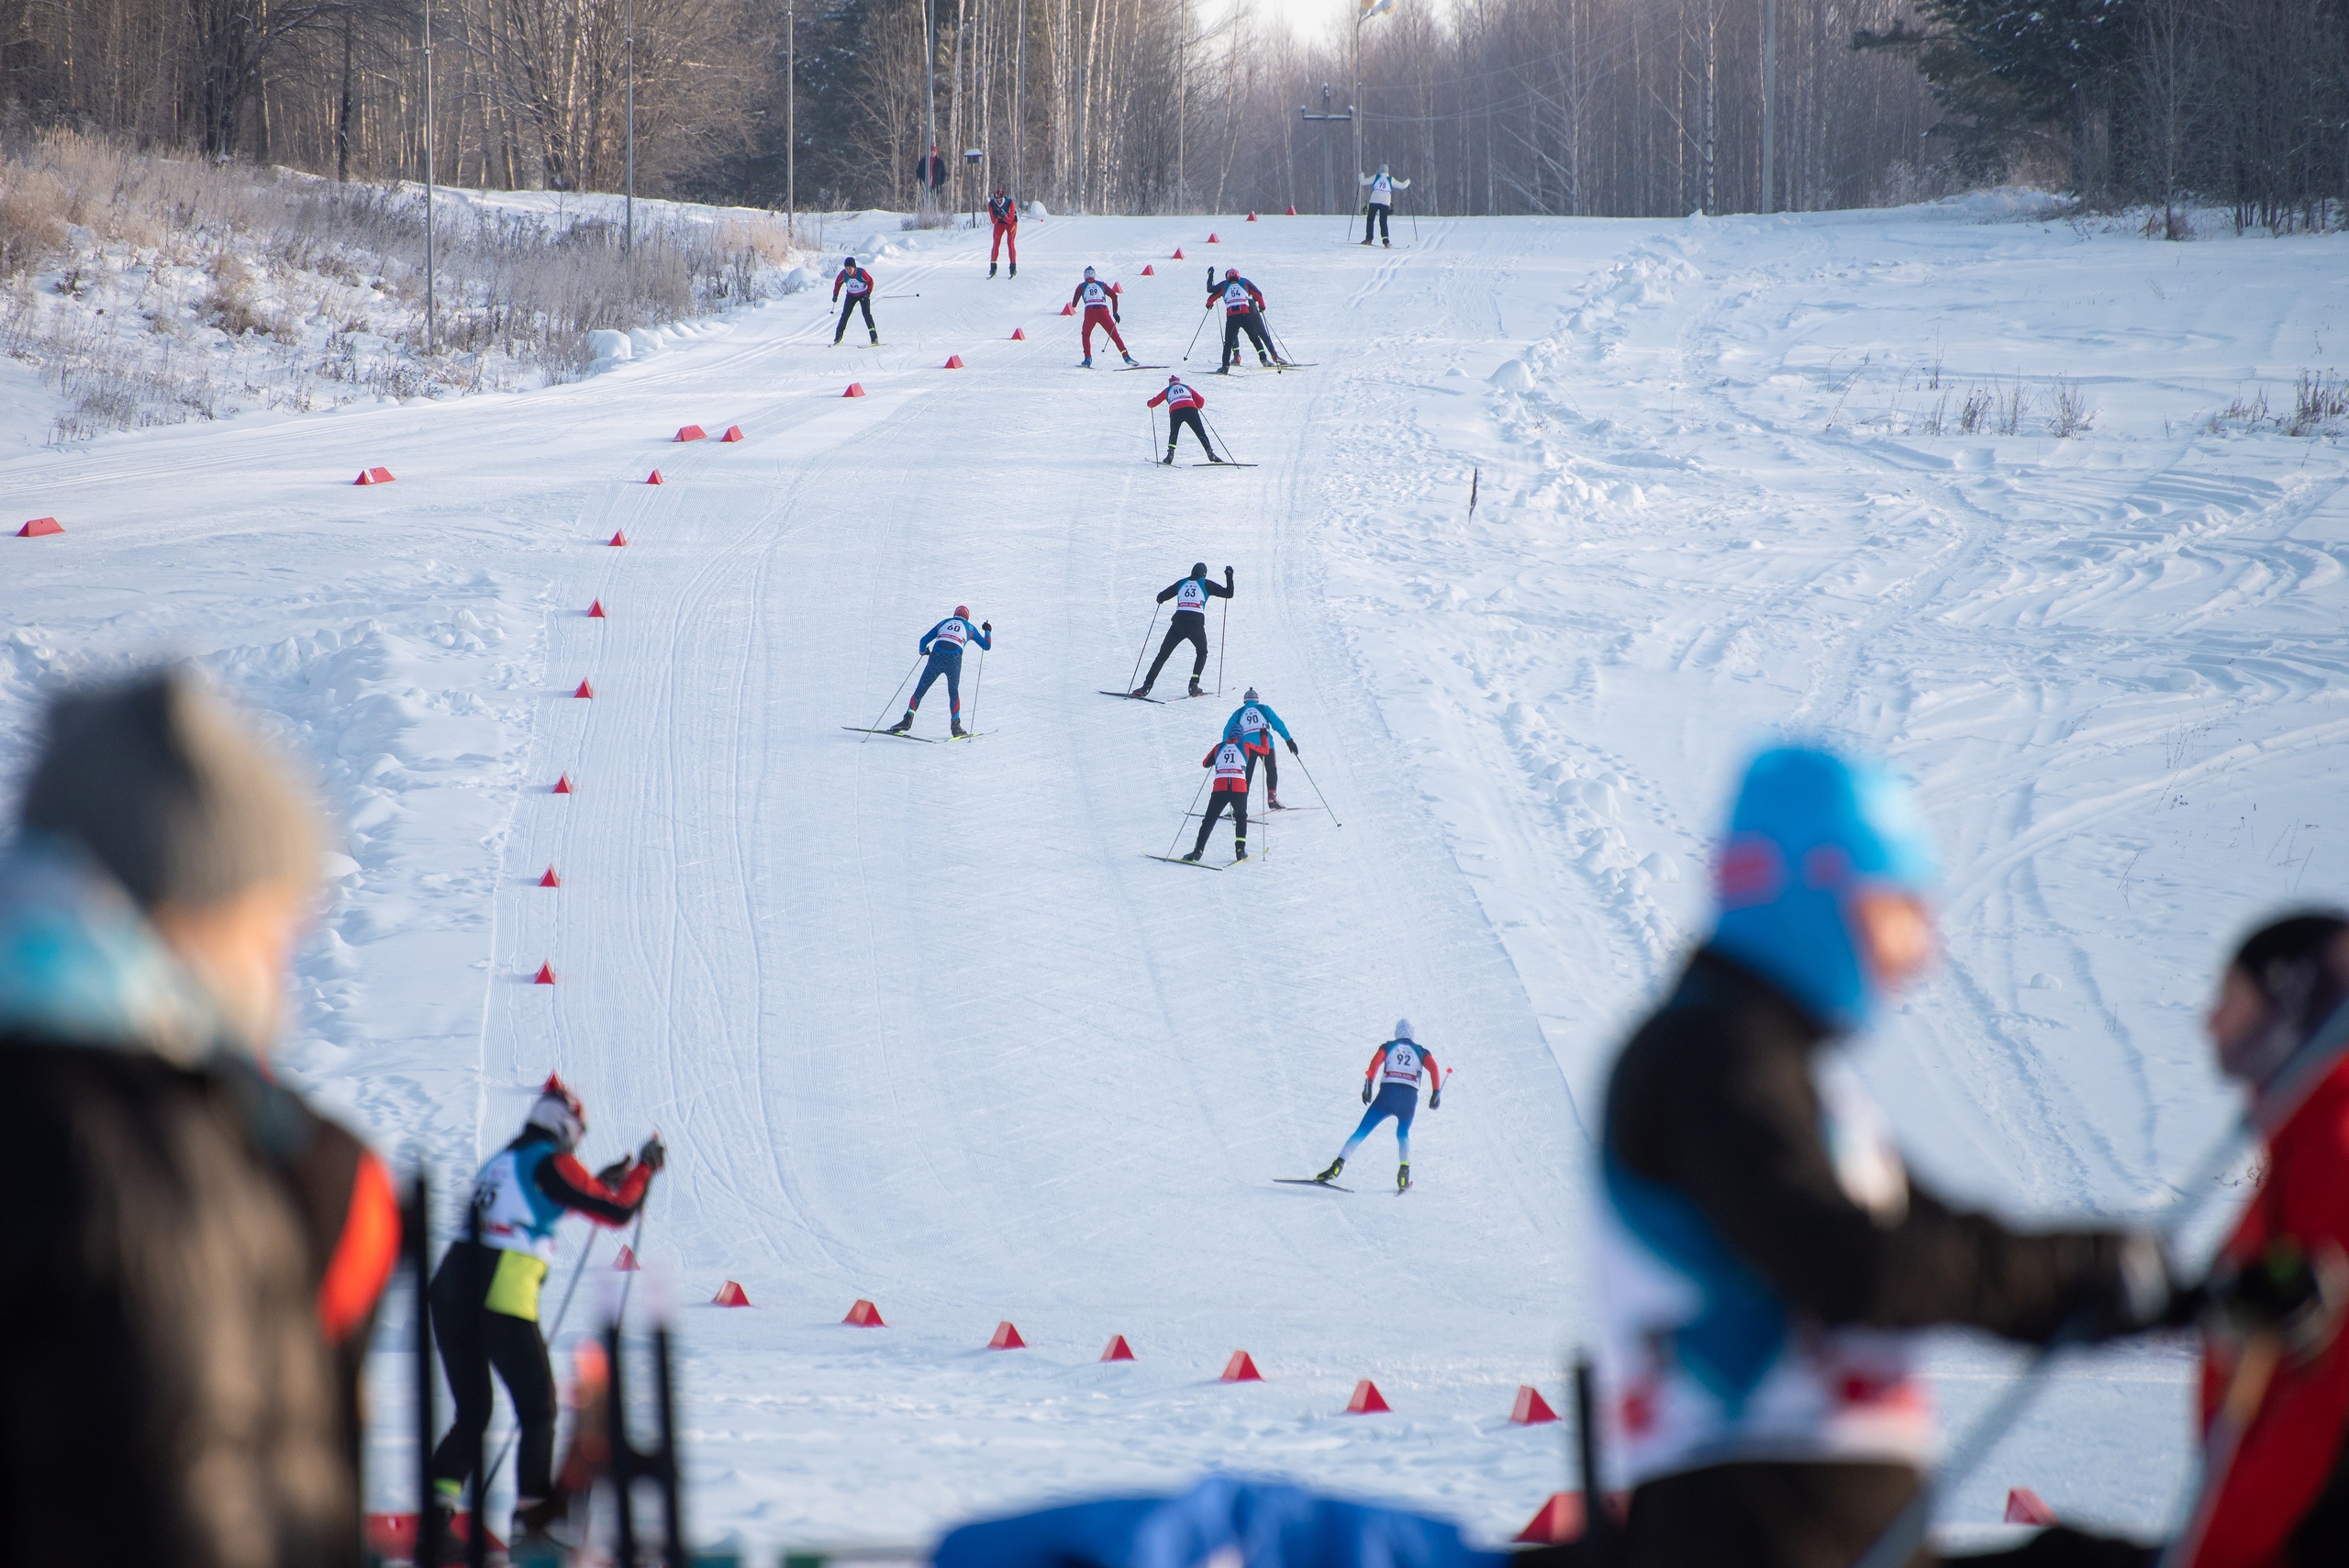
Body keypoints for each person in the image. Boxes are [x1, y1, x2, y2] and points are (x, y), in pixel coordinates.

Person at [1598, 744, 2178, 1568]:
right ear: (1815, 889)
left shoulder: (1776, 1072)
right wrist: (2087, 1266)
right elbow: (1856, 1263)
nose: (1916, 952)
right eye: (1897, 907)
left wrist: (2173, 1296)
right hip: (1760, 1532)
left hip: (1837, 1535)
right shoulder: (1711, 1056)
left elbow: (1936, 1238)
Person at [1, 667, 400, 1568]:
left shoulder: (177, 1119)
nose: (281, 963)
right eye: (265, 924)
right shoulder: (119, 1152)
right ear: (184, 912)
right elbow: (176, 1495)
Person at [2157, 912, 2349, 1568]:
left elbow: (2323, 1400)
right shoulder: (2301, 1140)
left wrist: (2214, 1549)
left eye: (2233, 1002)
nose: (2211, 1024)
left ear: (2292, 1009)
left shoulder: (2335, 1151)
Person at [429, 1076, 662, 1542]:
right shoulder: (551, 1160)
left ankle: (434, 1513)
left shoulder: (508, 1158)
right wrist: (644, 1172)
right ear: (566, 1127)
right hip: (499, 1294)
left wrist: (599, 1183)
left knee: (473, 1411)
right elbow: (616, 1212)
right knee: (539, 1409)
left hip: (450, 1290)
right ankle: (532, 1518)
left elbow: (556, 1195)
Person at [1315, 1021, 1442, 1192]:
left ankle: (1337, 1166)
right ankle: (1404, 1173)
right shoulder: (1420, 1051)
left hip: (1387, 1095)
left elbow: (1375, 1063)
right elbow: (1433, 1068)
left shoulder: (1389, 1046)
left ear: (1397, 1032)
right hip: (1408, 1098)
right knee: (1402, 1134)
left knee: (1362, 1130)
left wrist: (1368, 1085)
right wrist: (1436, 1093)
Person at [887, 606, 992, 738]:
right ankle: (956, 727)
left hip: (936, 656)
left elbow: (923, 641)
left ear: (955, 614)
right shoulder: (970, 628)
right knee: (953, 692)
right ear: (967, 617)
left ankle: (908, 718)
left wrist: (923, 651)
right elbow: (986, 646)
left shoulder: (944, 622)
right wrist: (987, 631)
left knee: (921, 689)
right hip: (954, 658)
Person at [1132, 562, 1232, 699]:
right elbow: (1229, 594)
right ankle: (1193, 684)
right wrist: (1229, 576)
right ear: (1204, 574)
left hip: (1178, 623)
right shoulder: (1205, 583)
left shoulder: (1182, 583)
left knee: (1162, 655)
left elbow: (1160, 597)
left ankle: (1146, 687)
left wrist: (1161, 598)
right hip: (1195, 624)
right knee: (1202, 652)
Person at [1223, 687, 1297, 808]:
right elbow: (1278, 724)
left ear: (1245, 701)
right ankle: (1272, 798)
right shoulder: (1264, 708)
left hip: (1247, 746)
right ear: (1257, 700)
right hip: (1266, 743)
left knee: (1246, 775)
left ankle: (1240, 805)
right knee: (1271, 769)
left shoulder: (1239, 712)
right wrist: (1289, 740)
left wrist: (1226, 745)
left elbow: (1228, 730)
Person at [1184, 736, 1252, 864]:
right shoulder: (1245, 745)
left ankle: (1198, 851)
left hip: (1220, 788)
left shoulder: (1219, 746)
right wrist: (1264, 736)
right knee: (1241, 817)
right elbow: (1265, 751)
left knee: (1209, 819)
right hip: (1238, 788)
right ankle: (1240, 850)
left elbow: (1205, 763)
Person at [1204, 267, 1279, 373]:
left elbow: (1212, 297)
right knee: (1254, 338)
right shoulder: (1244, 282)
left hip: (1232, 317)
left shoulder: (1224, 285)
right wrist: (1262, 306)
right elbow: (1258, 294)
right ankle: (1264, 359)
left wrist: (1209, 305)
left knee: (1228, 342)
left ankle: (1225, 367)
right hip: (1245, 315)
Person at [1071, 266, 1138, 368]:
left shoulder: (1082, 286)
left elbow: (1074, 304)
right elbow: (1114, 296)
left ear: (1085, 276)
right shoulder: (1101, 284)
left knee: (1086, 334)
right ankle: (1126, 356)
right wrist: (1115, 313)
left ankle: (1088, 358)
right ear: (1094, 275)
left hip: (1090, 311)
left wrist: (1076, 302)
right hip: (1103, 311)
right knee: (1114, 334)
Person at [1146, 374, 1219, 465]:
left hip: (1175, 410)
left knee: (1174, 433)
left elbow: (1154, 402)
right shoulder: (1186, 387)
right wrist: (1197, 406)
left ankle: (1170, 455)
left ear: (1170, 384)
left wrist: (1149, 403)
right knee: (1200, 432)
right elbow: (1201, 401)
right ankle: (1210, 453)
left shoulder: (1168, 390)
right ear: (1179, 382)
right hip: (1190, 408)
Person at [1359, 163, 1409, 246]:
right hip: (1385, 201)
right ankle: (1386, 241)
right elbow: (1402, 186)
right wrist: (1408, 181)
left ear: (1380, 170)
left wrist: (1361, 175)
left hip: (1374, 200)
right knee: (1383, 221)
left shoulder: (1376, 177)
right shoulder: (1391, 179)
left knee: (1370, 219)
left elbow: (1363, 182)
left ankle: (1369, 238)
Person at [832, 255, 878, 346]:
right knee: (845, 315)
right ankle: (838, 337)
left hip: (863, 295)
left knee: (866, 314)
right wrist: (835, 295)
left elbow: (870, 282)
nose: (848, 270)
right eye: (846, 268)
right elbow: (838, 284)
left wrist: (868, 293)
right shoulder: (843, 274)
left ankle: (874, 338)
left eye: (850, 268)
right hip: (851, 295)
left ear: (854, 267)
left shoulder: (862, 273)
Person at [988, 187, 1019, 278]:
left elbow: (1010, 220)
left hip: (1011, 223)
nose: (999, 202)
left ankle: (1013, 268)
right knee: (996, 243)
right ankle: (993, 268)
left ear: (1003, 198)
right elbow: (993, 221)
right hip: (999, 223)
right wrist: (997, 216)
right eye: (997, 200)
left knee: (1010, 243)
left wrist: (1003, 216)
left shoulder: (1010, 203)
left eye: (1000, 200)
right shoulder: (991, 204)